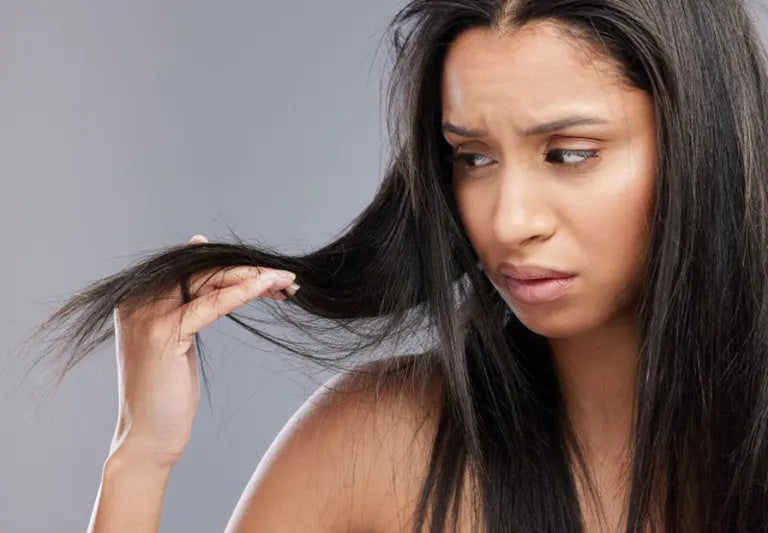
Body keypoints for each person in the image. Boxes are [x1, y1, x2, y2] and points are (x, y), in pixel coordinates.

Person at [17, 0, 768, 531]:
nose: (509, 221)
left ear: (699, 143)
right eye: (472, 157)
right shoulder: (379, 445)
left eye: (569, 154)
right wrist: (139, 458)